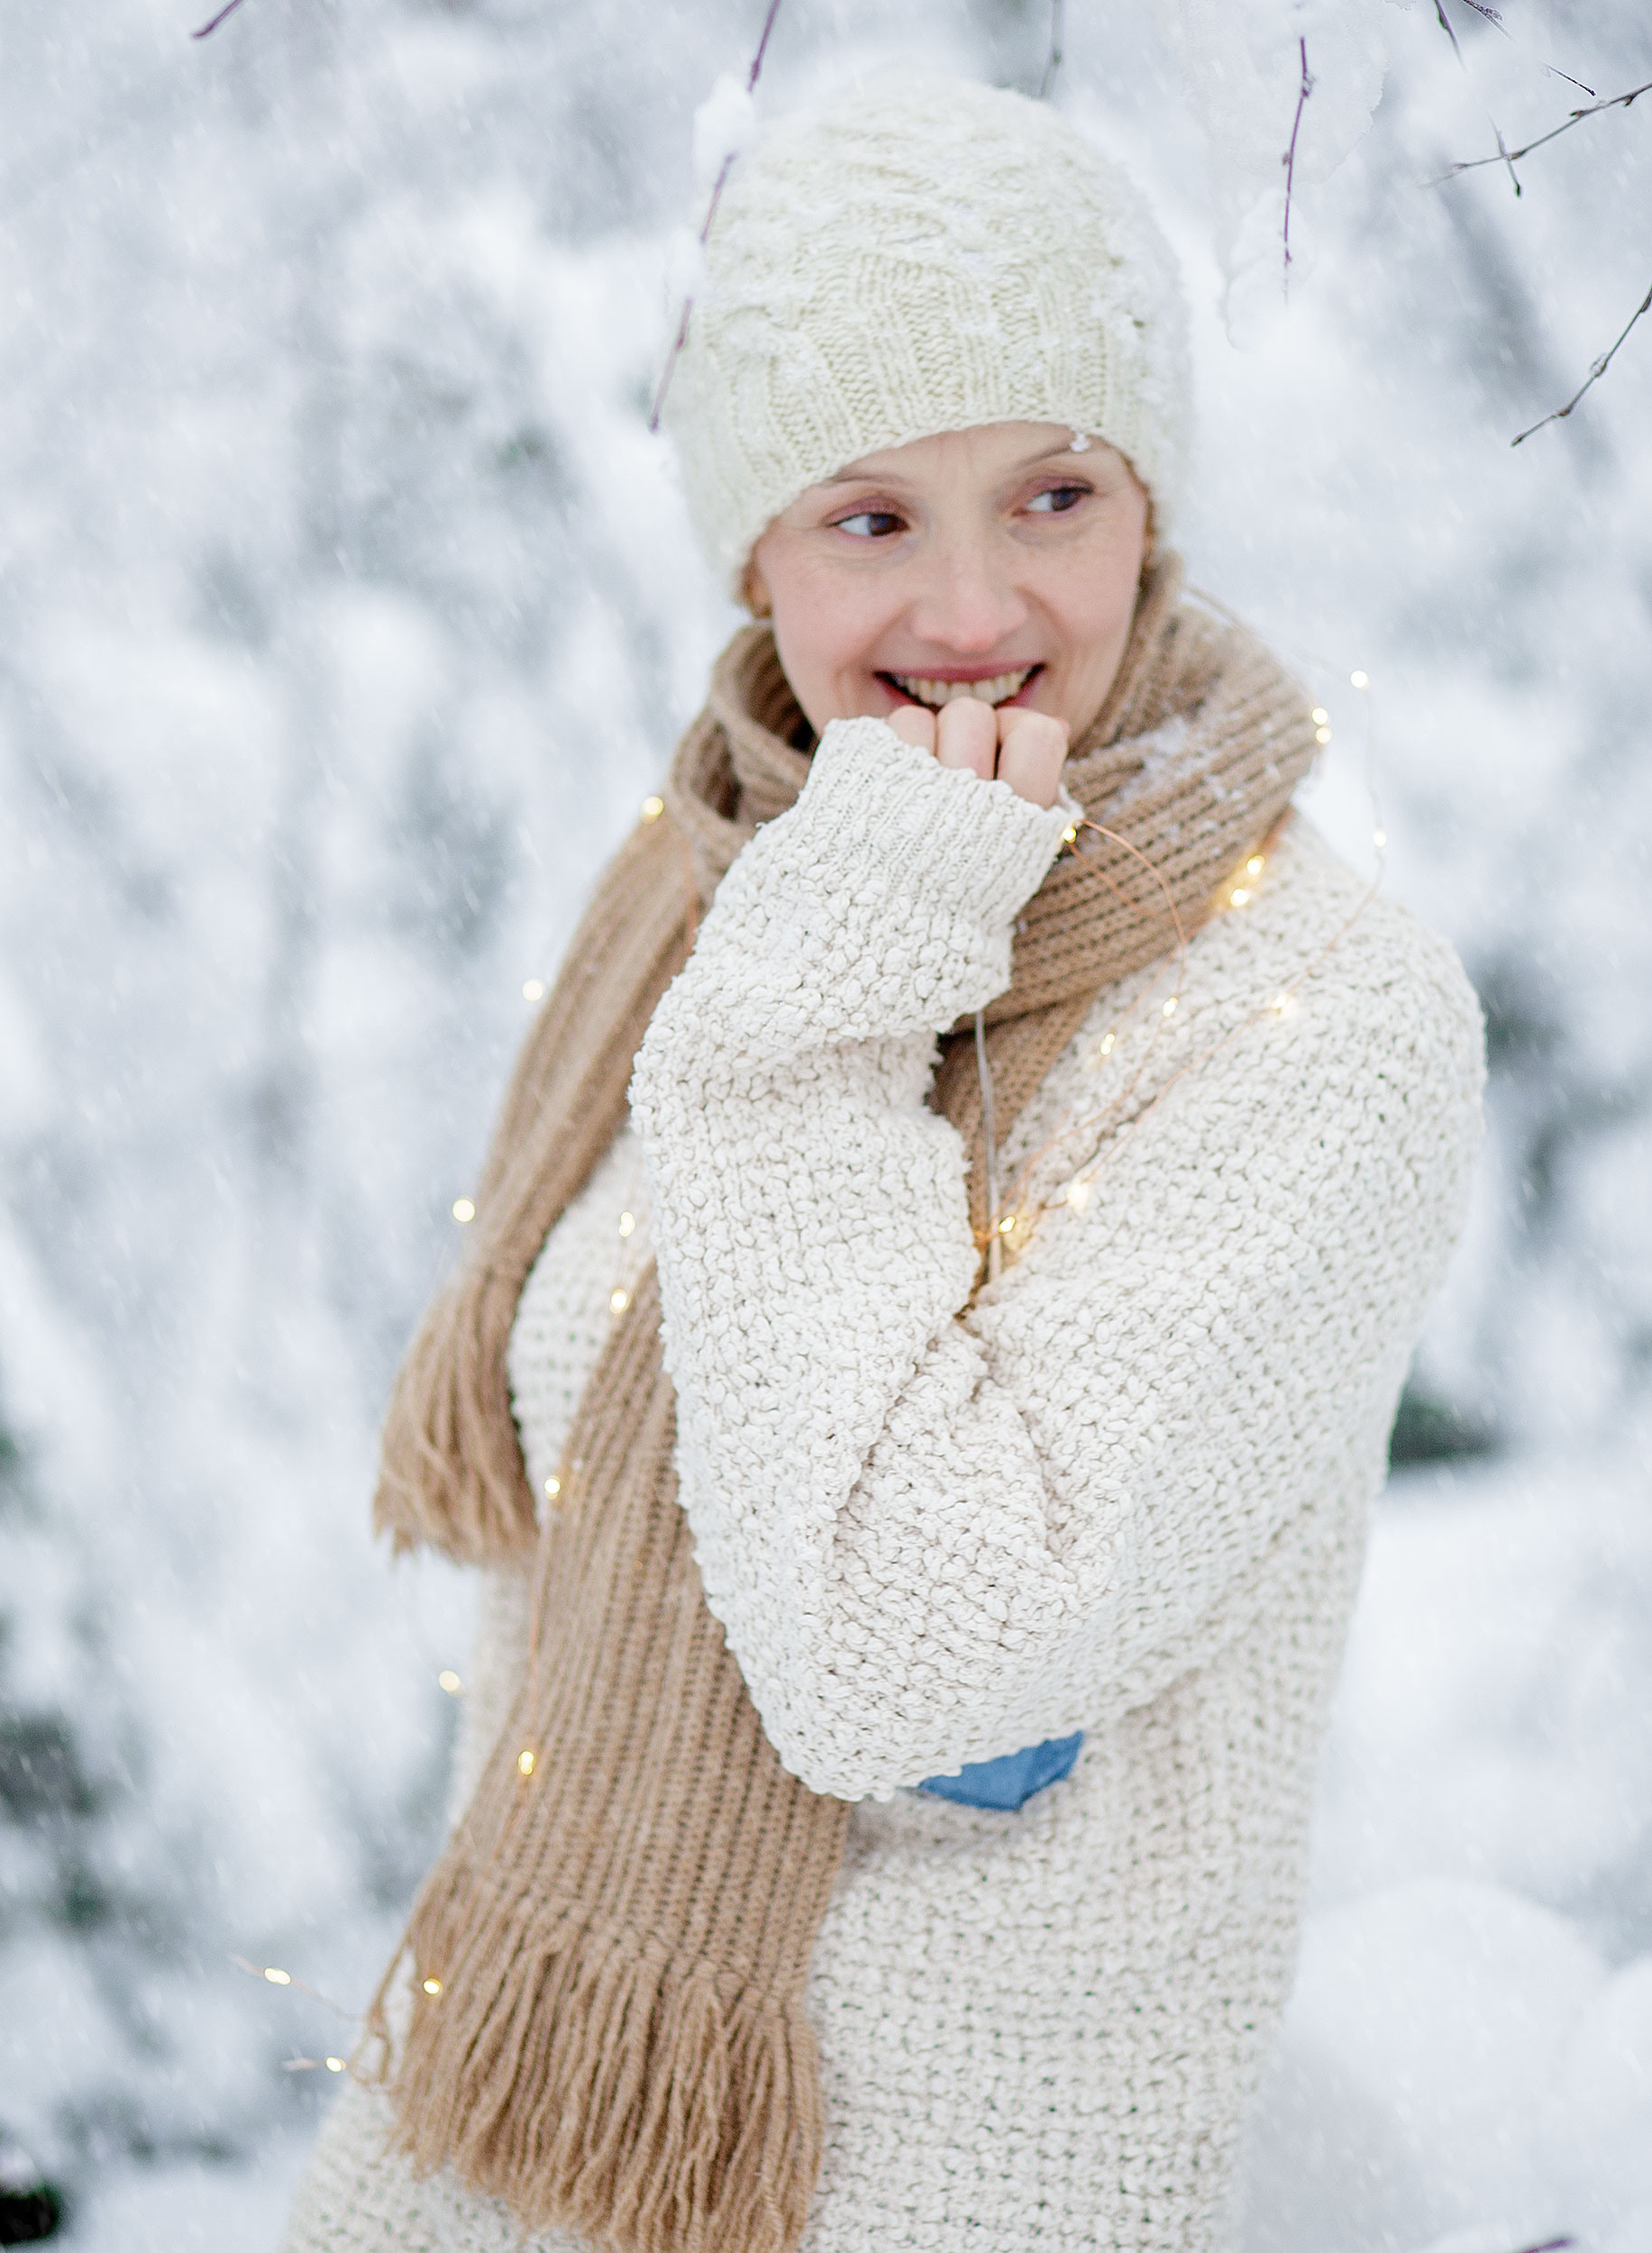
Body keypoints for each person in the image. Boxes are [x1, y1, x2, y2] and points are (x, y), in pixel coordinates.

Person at [280, 68, 1483, 2253]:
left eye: (1050, 493)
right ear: (748, 545)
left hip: (942, 2182)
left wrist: (826, 1006)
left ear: (1152, 507)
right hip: (515, 2132)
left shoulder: (1316, 1016)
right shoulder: (728, 872)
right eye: (867, 517)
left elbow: (902, 1658)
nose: (970, 607)